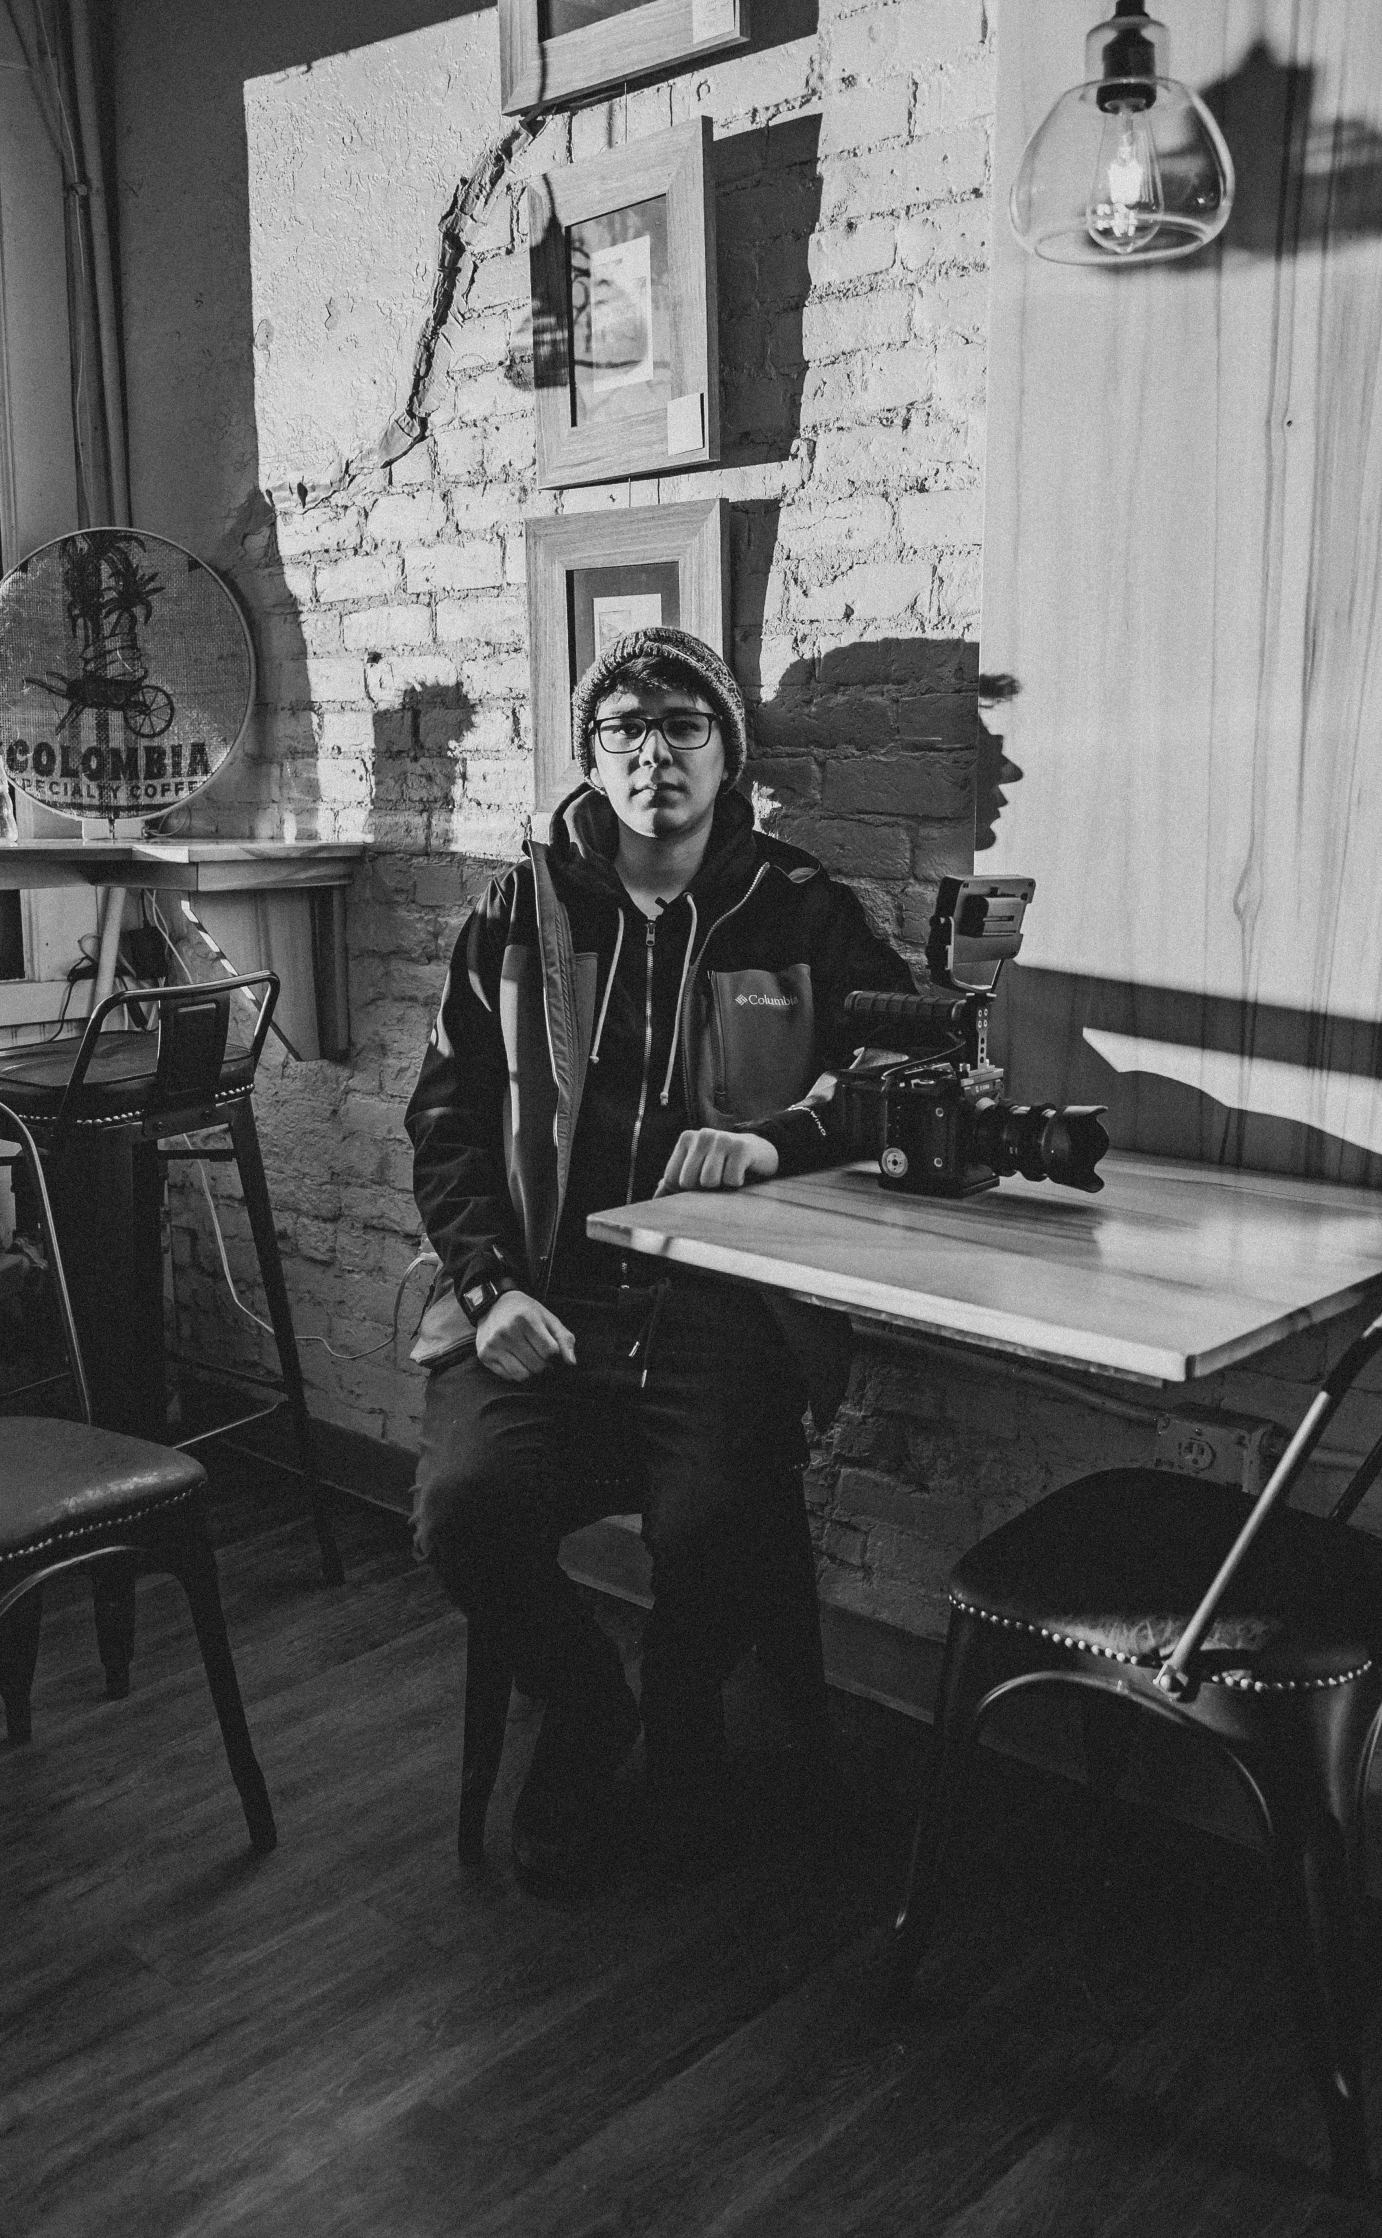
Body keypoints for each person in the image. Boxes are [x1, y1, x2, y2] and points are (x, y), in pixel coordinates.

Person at [405, 626, 912, 1892]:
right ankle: (588, 1710)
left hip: (718, 1311)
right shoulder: (516, 910)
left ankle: (688, 1733)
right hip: (546, 1298)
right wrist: (488, 1285)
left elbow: (915, 1060)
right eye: (625, 730)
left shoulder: (795, 905)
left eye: (684, 727)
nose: (655, 755)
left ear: (726, 753)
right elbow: (446, 1119)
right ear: (591, 757)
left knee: (720, 1523)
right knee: (463, 1509)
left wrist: (779, 1139)